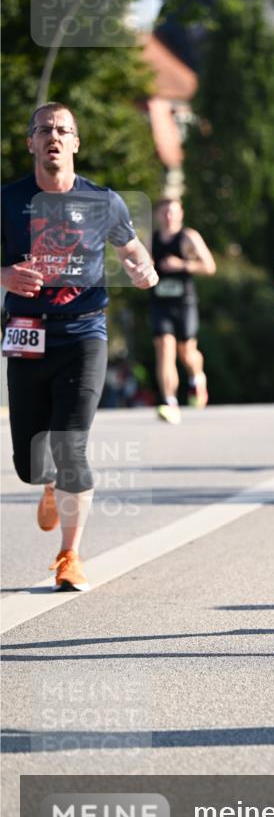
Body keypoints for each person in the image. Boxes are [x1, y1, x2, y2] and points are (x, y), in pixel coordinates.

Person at [1, 102, 158, 591]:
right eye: (44, 129)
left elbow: (132, 248)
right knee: (29, 464)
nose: (53, 136)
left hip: (84, 332)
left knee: (72, 444)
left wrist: (142, 268)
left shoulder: (103, 201)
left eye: (63, 130)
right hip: (26, 332)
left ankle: (70, 554)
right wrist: (4, 274)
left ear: (75, 144)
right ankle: (45, 484)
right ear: (30, 143)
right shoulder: (7, 200)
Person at [149, 197, 216, 424]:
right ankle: (170, 401)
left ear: (180, 214)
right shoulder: (151, 239)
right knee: (165, 348)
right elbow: (142, 264)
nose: (169, 217)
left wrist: (182, 265)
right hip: (160, 303)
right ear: (158, 215)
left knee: (186, 351)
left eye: (173, 212)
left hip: (184, 303)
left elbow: (209, 266)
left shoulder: (189, 237)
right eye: (164, 212)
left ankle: (197, 377)